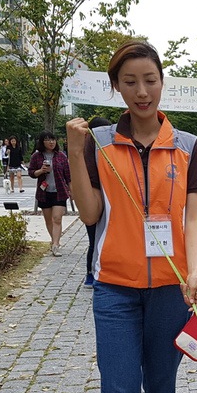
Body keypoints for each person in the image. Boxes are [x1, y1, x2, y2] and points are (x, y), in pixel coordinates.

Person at [65, 40, 197, 393]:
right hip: (115, 289)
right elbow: (88, 213)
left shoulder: (188, 146)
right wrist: (73, 153)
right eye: (130, 82)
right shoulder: (97, 140)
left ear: (162, 81)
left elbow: (192, 214)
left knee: (161, 386)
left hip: (170, 287)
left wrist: (194, 269)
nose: (141, 91)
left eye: (150, 79)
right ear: (116, 87)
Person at [28, 131, 71, 256]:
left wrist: (72, 190)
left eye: (53, 139)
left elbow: (68, 176)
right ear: (42, 142)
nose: (51, 142)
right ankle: (54, 241)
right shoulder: (36, 157)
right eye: (48, 140)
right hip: (44, 192)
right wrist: (40, 171)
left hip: (59, 192)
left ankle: (56, 244)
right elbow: (31, 173)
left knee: (57, 218)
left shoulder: (61, 156)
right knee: (48, 220)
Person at [82, 117, 112, 288]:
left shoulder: (112, 150)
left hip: (111, 202)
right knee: (94, 240)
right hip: (94, 202)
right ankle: (90, 272)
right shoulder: (86, 153)